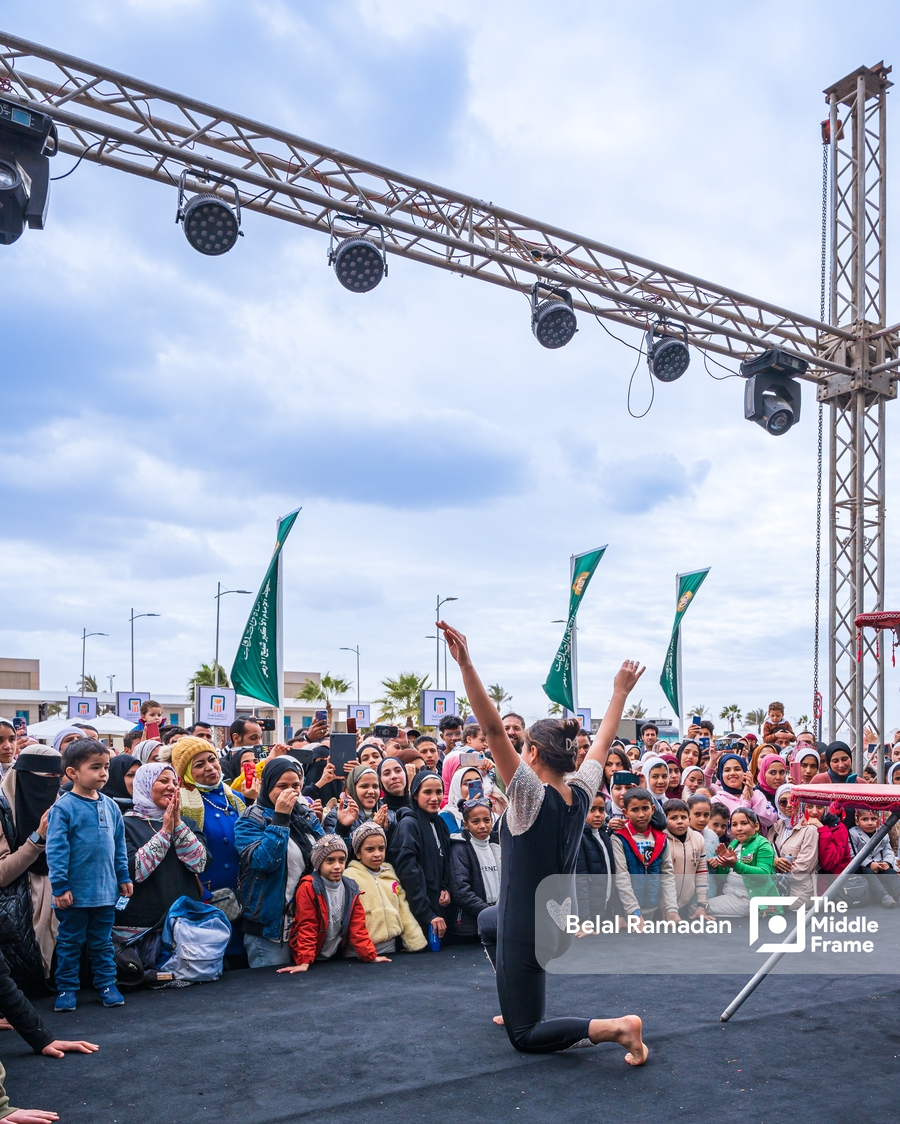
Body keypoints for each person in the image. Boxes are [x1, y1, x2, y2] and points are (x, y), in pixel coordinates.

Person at [439, 619, 647, 1062]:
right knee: (486, 920)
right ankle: (513, 991)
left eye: (524, 745)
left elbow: (494, 731)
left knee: (525, 1035)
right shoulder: (583, 789)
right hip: (558, 926)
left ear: (531, 754)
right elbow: (605, 741)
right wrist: (619, 693)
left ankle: (616, 1029)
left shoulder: (529, 794)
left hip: (528, 933)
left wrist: (466, 665)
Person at [45, 739, 131, 1012]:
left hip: (105, 894)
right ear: (72, 773)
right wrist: (60, 887)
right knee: (70, 943)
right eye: (95, 767)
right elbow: (56, 851)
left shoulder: (112, 806)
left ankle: (107, 984)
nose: (103, 773)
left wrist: (123, 877)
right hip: (73, 895)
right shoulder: (64, 807)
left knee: (103, 943)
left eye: (105, 767)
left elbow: (119, 847)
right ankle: (67, 988)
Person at [234, 757, 324, 968]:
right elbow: (265, 862)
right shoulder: (250, 820)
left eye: (295, 786)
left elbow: (325, 856)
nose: (290, 792)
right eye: (282, 786)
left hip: (306, 923)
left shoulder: (306, 815)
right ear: (267, 786)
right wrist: (280, 819)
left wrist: (343, 831)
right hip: (270, 929)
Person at [114, 763, 208, 938]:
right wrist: (165, 832)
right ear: (145, 785)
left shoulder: (187, 823)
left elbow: (201, 864)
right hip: (141, 929)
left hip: (186, 924)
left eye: (174, 782)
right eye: (164, 781)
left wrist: (178, 824)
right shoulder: (124, 825)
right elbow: (133, 871)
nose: (171, 787)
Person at [170, 737, 246, 954]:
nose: (209, 768)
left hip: (240, 895)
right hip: (207, 898)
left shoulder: (236, 798)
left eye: (212, 760)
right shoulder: (181, 803)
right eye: (199, 765)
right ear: (185, 772)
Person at [275, 834, 390, 972]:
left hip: (336, 956)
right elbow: (307, 925)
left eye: (341, 860)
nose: (337, 866)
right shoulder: (309, 887)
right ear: (318, 863)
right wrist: (304, 961)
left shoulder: (351, 887)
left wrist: (370, 956)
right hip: (312, 958)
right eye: (330, 861)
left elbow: (357, 926)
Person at [0, 746, 63, 991]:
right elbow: (3, 874)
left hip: (59, 896)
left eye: (58, 779)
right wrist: (37, 840)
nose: (52, 787)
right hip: (17, 907)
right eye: (47, 779)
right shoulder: (4, 811)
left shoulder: (64, 804)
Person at [387, 771, 452, 943]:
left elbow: (445, 861)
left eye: (438, 792)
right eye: (427, 792)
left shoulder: (439, 823)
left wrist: (446, 888)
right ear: (415, 795)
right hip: (418, 913)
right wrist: (427, 913)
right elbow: (409, 873)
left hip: (438, 909)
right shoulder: (409, 825)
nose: (434, 798)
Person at [345, 823, 426, 954]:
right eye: (370, 849)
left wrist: (415, 942)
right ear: (358, 853)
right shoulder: (350, 877)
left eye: (381, 848)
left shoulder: (390, 874)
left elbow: (403, 909)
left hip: (389, 948)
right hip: (358, 952)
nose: (377, 854)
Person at [611, 789, 679, 926]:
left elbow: (667, 874)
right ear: (625, 812)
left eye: (645, 808)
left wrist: (672, 908)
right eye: (635, 810)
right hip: (626, 912)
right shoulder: (618, 838)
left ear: (653, 809)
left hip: (651, 907)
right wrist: (634, 912)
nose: (641, 814)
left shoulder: (661, 839)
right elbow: (621, 876)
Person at [708, 807, 778, 917]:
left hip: (749, 900)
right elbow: (723, 877)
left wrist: (736, 865)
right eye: (734, 825)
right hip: (731, 895)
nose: (739, 828)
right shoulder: (734, 844)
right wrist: (721, 865)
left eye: (744, 823)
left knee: (698, 908)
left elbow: (764, 874)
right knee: (699, 907)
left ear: (756, 826)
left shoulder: (763, 844)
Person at [448, 798, 502, 939]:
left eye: (486, 820)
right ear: (466, 824)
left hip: (498, 922)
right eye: (475, 821)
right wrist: (490, 913)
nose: (482, 826)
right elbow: (461, 891)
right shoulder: (460, 848)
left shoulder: (497, 846)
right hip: (470, 929)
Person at [771, 784, 819, 907]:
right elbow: (764, 853)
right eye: (783, 801)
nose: (789, 804)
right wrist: (774, 861)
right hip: (776, 885)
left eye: (793, 800)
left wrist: (774, 873)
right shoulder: (776, 826)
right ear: (777, 804)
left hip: (799, 890)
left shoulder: (809, 829)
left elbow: (803, 868)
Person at [574, 794, 616, 925]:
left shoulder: (605, 835)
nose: (598, 814)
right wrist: (584, 920)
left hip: (604, 910)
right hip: (588, 915)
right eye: (591, 810)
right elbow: (580, 882)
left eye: (601, 810)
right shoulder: (579, 839)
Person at [705, 753, 776, 829]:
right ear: (721, 775)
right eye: (727, 770)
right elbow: (729, 832)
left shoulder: (756, 793)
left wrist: (752, 795)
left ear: (745, 772)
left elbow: (771, 820)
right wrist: (747, 801)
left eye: (737, 769)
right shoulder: (716, 800)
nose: (732, 773)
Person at [663, 799, 708, 918]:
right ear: (664, 819)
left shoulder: (698, 838)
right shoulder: (660, 840)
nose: (679, 821)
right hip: (662, 906)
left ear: (689, 818)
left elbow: (702, 872)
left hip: (684, 904)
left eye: (683, 817)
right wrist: (664, 905)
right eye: (673, 818)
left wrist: (701, 905)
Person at [849, 808, 900, 907]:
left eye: (873, 819)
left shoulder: (882, 832)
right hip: (862, 865)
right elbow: (853, 854)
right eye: (865, 819)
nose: (870, 823)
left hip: (880, 863)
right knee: (868, 872)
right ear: (857, 821)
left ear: (879, 820)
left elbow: (888, 850)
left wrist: (887, 862)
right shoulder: (853, 833)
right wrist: (870, 864)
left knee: (891, 872)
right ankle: (884, 896)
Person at [323, 766, 391, 838]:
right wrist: (342, 827)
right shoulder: (336, 815)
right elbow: (331, 846)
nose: (371, 791)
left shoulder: (388, 815)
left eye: (375, 786)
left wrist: (387, 829)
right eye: (364, 786)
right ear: (348, 792)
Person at [439, 766, 484, 833]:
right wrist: (468, 810)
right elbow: (459, 840)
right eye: (467, 784)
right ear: (457, 788)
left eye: (478, 782)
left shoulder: (490, 811)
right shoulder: (446, 815)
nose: (475, 788)